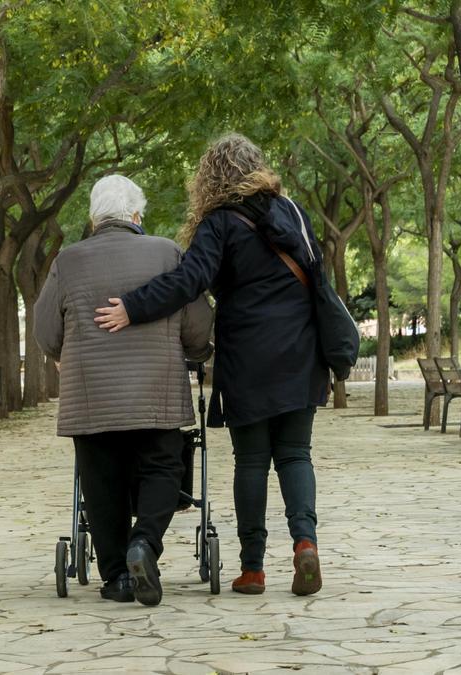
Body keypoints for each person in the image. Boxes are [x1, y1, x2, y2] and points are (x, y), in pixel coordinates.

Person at [95, 133, 327, 597]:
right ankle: (305, 544)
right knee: (296, 454)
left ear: (211, 177)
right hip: (303, 353)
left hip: (248, 358)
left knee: (253, 460)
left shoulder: (219, 224)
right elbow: (318, 273)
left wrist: (133, 307)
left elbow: (188, 281)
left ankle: (253, 569)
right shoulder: (294, 213)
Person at [34, 175, 213, 607]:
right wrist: (194, 350)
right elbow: (198, 325)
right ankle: (145, 545)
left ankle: (116, 577)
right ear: (136, 216)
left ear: (95, 218)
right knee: (162, 468)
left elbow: (45, 332)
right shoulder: (167, 252)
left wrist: (65, 351)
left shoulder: (67, 261)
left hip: (91, 395)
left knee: (100, 480)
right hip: (158, 390)